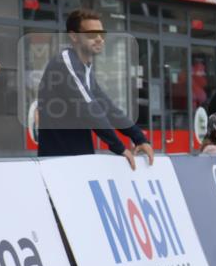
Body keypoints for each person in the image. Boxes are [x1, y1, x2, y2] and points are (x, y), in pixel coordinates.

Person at [37, 9, 154, 170]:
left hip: (79, 160)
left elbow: (107, 106)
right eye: (92, 34)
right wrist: (119, 147)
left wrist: (139, 138)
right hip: (59, 164)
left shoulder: (85, 66)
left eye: (102, 34)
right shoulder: (66, 62)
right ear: (74, 36)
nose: (99, 39)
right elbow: (89, 109)